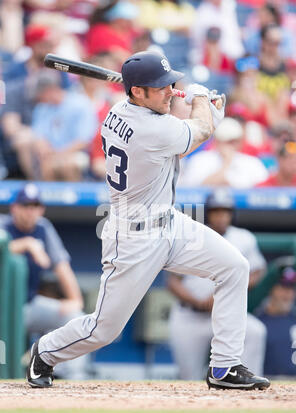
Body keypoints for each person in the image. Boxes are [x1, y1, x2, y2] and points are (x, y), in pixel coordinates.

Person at [26, 49, 270, 391]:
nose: (170, 90)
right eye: (161, 87)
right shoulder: (148, 128)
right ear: (137, 91)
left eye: (170, 83)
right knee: (104, 330)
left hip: (168, 222)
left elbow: (180, 135)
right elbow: (195, 132)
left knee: (234, 266)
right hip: (133, 238)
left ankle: (225, 366)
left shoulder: (121, 111)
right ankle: (45, 350)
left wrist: (200, 110)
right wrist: (202, 99)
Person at [168, 188, 267, 380]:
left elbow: (257, 270)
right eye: (216, 211)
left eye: (225, 211)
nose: (221, 216)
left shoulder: (243, 237)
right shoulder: (192, 234)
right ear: (208, 214)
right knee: (189, 377)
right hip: (191, 315)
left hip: (227, 314)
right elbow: (173, 281)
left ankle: (248, 383)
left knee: (255, 332)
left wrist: (224, 296)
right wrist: (197, 301)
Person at [0, 183, 89, 379]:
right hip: (3, 312)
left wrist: (75, 299)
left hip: (29, 306)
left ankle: (71, 377)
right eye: (25, 206)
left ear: (41, 209)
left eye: (35, 206)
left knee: (75, 316)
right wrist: (26, 244)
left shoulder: (43, 228)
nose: (30, 211)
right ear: (14, 207)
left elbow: (61, 266)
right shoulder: (3, 226)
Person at [180, 117, 269, 188]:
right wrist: (226, 164)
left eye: (234, 141)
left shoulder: (252, 163)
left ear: (241, 141)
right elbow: (193, 192)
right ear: (216, 141)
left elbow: (263, 193)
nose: (231, 146)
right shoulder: (200, 160)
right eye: (226, 141)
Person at [254, 267, 296, 377]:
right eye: (282, 288)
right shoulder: (257, 323)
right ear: (271, 290)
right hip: (264, 381)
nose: (287, 294)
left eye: (291, 289)